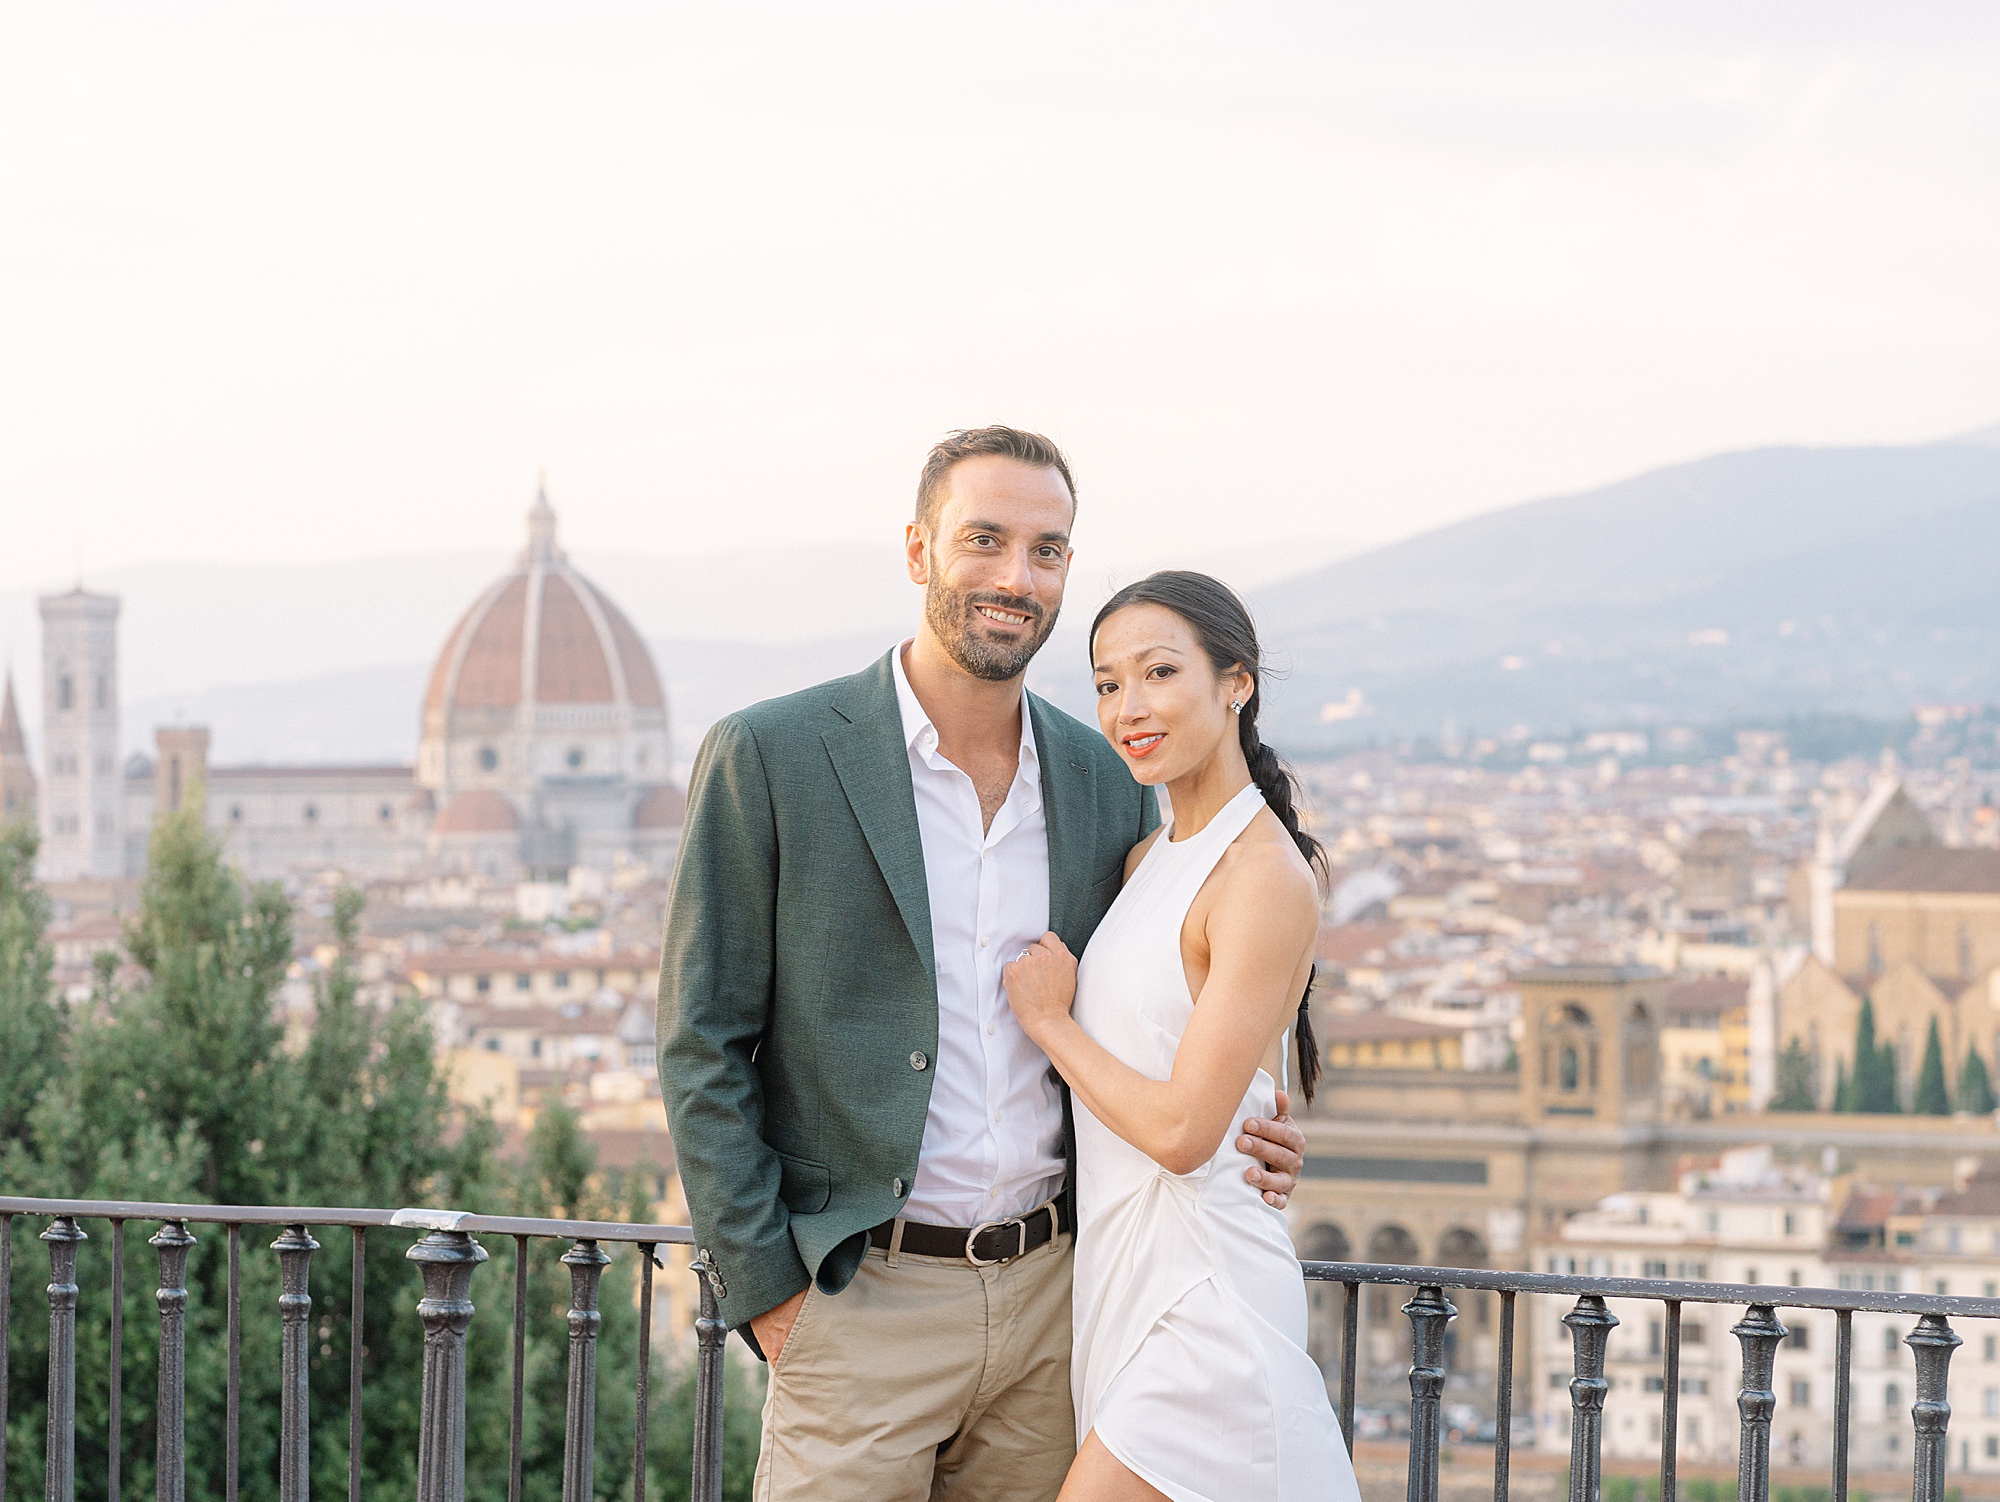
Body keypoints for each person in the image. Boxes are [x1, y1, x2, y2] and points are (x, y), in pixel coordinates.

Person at [655, 428, 1309, 1502]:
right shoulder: (771, 754)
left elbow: (1174, 986)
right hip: (863, 1300)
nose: (1017, 576)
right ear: (917, 550)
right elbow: (700, 1041)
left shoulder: (1104, 774)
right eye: (985, 540)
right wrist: (771, 1293)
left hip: (1060, 1301)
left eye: (1046, 550)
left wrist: (1263, 1116)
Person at [1003, 571, 1359, 1502]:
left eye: (1159, 673)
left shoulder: (1263, 874)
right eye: (1108, 684)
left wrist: (1046, 1021)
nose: (1129, 708)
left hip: (1202, 1296)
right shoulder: (1148, 857)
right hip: (1126, 1275)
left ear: (1235, 682)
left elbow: (1180, 1133)